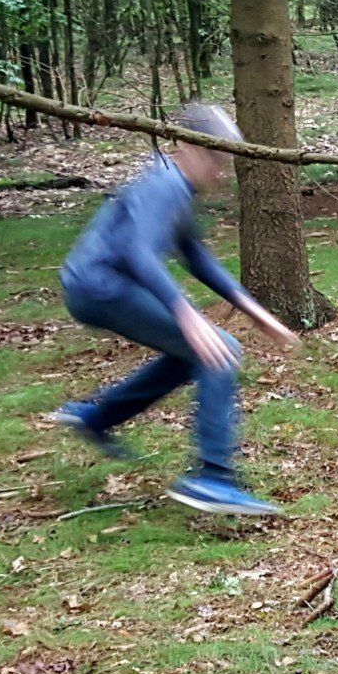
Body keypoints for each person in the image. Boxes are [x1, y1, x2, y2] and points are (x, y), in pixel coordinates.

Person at [53, 103, 301, 516]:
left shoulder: (175, 186)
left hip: (93, 285)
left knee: (194, 356)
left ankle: (97, 416)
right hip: (100, 286)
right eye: (216, 160)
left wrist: (253, 309)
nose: (221, 174)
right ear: (188, 145)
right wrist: (187, 314)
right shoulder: (165, 184)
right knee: (220, 351)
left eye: (227, 164)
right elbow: (140, 253)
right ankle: (214, 478)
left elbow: (195, 256)